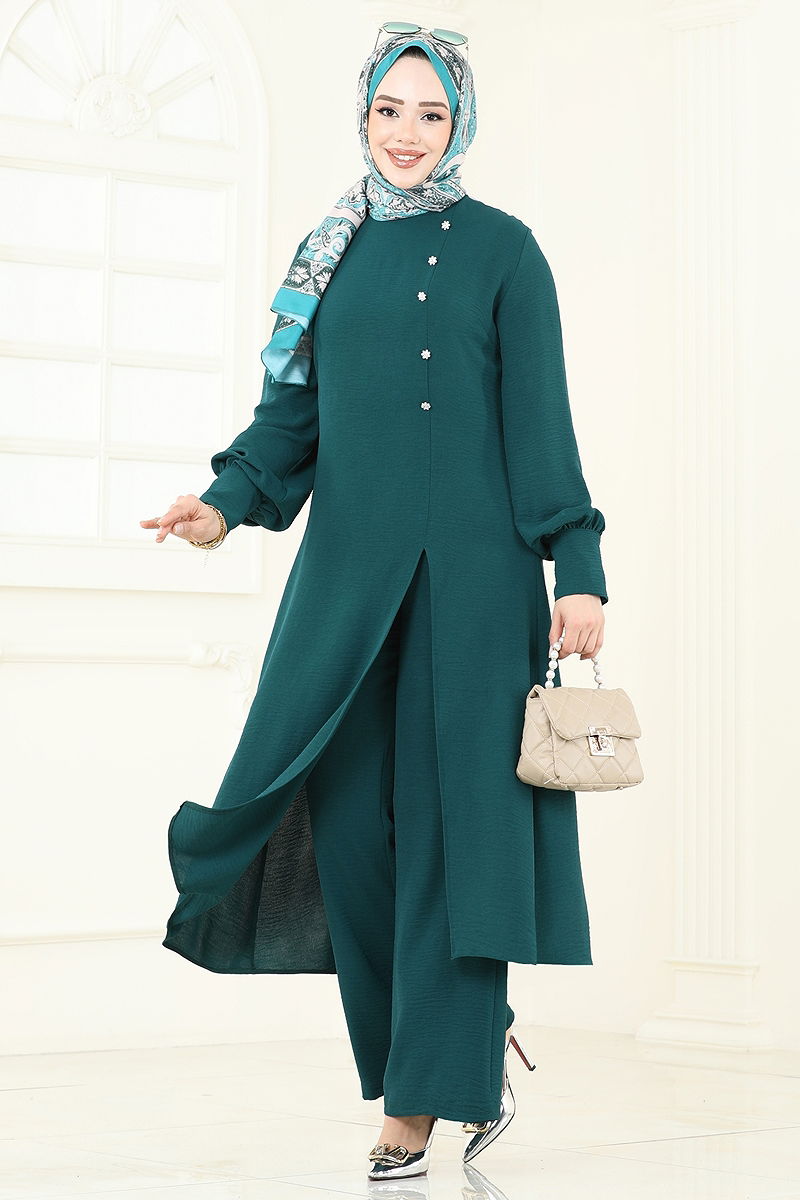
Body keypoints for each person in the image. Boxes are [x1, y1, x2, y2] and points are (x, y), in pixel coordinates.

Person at [141, 23, 608, 1181]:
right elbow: (288, 424)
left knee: (452, 841)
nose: (407, 133)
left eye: (430, 113)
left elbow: (539, 422)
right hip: (347, 588)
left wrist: (577, 564)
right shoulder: (325, 255)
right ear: (361, 115)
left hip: (476, 592)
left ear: (459, 123)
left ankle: (420, 1100)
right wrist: (221, 505)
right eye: (389, 110)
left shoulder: (505, 253)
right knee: (351, 834)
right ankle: (463, 1048)